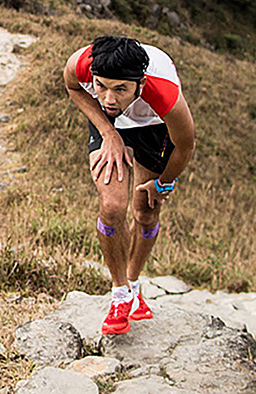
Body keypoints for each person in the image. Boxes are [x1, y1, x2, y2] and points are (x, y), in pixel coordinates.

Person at [63, 35, 196, 335]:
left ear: (140, 84)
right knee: (112, 206)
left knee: (146, 213)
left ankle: (134, 286)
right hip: (109, 125)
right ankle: (120, 294)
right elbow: (72, 86)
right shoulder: (83, 63)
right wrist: (108, 133)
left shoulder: (164, 94)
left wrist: (162, 184)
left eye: (120, 89)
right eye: (101, 86)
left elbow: (185, 146)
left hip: (153, 128)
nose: (109, 98)